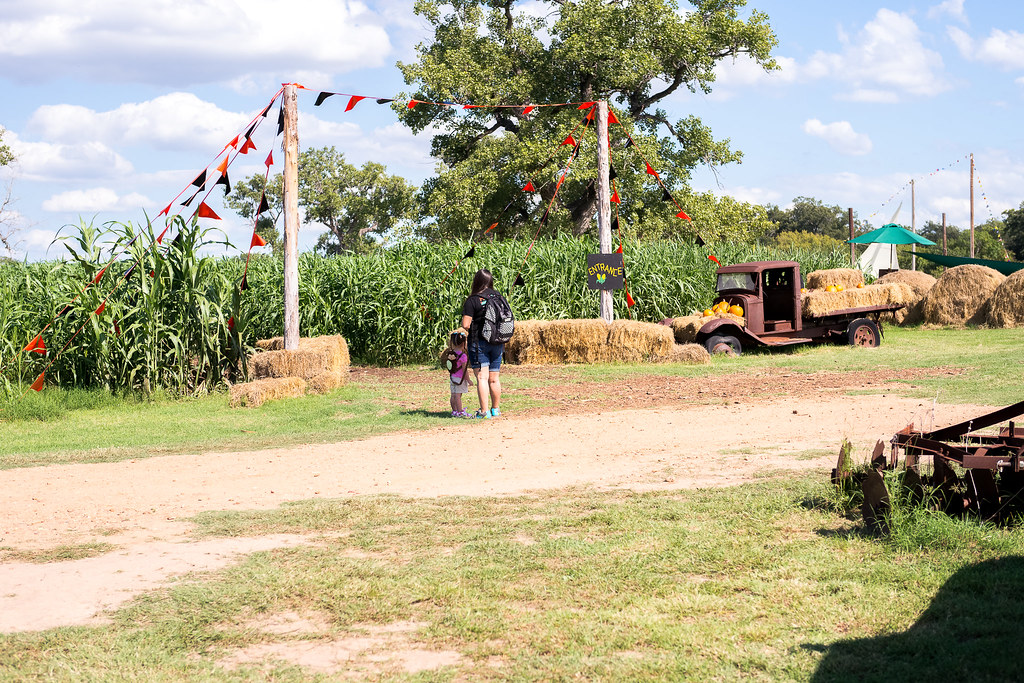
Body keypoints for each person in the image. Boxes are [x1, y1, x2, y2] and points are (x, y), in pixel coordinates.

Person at [459, 268, 506, 419]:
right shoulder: (498, 297)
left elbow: (466, 324)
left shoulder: (473, 300)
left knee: (482, 378)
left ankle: (484, 412)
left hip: (479, 342)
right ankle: (496, 410)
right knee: (494, 378)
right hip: (497, 342)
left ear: (476, 282)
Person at [441, 330, 471, 418]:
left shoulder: (451, 354)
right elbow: (464, 369)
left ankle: (454, 410)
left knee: (453, 395)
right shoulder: (463, 356)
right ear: (463, 343)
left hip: (453, 377)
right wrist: (468, 380)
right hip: (460, 379)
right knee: (458, 396)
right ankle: (460, 411)